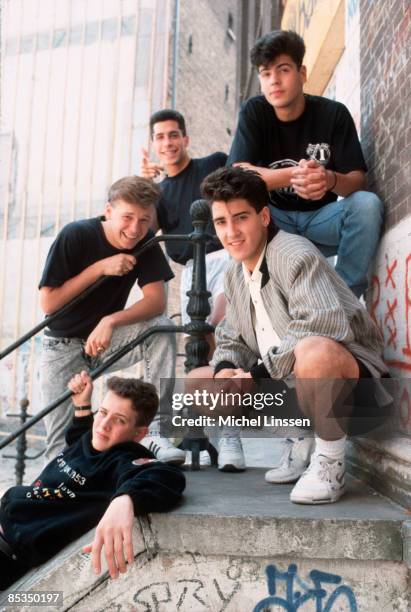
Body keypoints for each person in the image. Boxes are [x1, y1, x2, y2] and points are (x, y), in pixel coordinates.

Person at [189, 166, 388, 503]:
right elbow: (230, 339)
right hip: (297, 390)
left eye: (241, 218)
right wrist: (227, 370)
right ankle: (299, 437)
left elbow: (322, 325)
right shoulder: (236, 274)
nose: (231, 232)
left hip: (358, 394)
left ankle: (330, 464)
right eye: (221, 222)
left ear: (264, 217)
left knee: (314, 351)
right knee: (199, 381)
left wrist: (254, 374)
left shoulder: (295, 253)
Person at [39, 176, 185, 465]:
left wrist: (111, 320)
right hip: (62, 346)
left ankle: (155, 430)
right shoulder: (76, 234)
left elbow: (156, 302)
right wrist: (100, 268)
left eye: (144, 220)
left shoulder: (144, 242)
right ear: (109, 211)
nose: (135, 229)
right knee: (60, 447)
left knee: (161, 328)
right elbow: (49, 303)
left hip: (106, 342)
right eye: (127, 217)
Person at [227, 30, 383, 299]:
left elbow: (358, 180)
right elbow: (236, 175)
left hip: (322, 221)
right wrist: (293, 175)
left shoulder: (333, 114)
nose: (274, 80)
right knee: (239, 213)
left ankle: (344, 301)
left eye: (283, 69)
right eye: (265, 73)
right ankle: (258, 303)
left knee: (367, 205)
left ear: (302, 73)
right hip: (274, 222)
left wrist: (329, 179)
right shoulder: (254, 111)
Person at [0, 372, 185, 591]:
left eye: (119, 420)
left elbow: (168, 477)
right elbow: (80, 441)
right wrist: (82, 406)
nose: (103, 425)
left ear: (138, 434)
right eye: (103, 412)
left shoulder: (123, 459)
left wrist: (125, 499)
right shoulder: (93, 439)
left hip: (8, 553)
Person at [141, 109, 229, 342]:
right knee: (196, 346)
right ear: (153, 144)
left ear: (185, 139)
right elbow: (144, 232)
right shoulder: (158, 192)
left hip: (227, 256)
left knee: (218, 324)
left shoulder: (214, 163)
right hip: (191, 271)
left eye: (173, 135)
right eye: (160, 137)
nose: (167, 143)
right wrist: (145, 187)